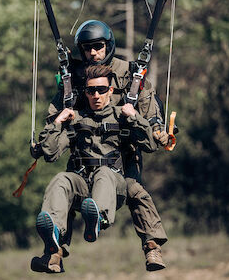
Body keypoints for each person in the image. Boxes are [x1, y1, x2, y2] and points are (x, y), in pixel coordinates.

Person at [38, 20, 169, 271]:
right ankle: (53, 247)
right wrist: (59, 123)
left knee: (135, 191)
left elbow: (151, 129)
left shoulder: (129, 85)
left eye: (98, 47)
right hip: (81, 168)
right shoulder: (74, 95)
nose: (92, 53)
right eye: (87, 49)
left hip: (119, 167)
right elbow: (51, 146)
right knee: (60, 181)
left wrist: (149, 126)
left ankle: (150, 246)